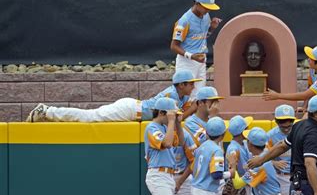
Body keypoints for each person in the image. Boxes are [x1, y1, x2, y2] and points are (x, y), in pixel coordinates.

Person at [172, 86, 224, 195]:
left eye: (216, 101)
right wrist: (215, 117)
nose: (215, 105)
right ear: (200, 103)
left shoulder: (215, 121)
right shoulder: (191, 124)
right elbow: (206, 145)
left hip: (214, 178)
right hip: (197, 178)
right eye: (212, 101)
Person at [26, 69, 200, 122]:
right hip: (130, 110)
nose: (193, 86)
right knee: (89, 117)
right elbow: (175, 120)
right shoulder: (171, 95)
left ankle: (48, 111)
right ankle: (48, 111)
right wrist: (192, 109)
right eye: (191, 83)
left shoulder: (181, 96)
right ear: (182, 85)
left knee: (90, 116)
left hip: (134, 108)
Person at [170, 0, 222, 98]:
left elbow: (202, 37)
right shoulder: (184, 21)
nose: (208, 10)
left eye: (210, 7)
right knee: (184, 95)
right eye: (206, 7)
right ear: (197, 3)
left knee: (199, 95)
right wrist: (191, 56)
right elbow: (174, 46)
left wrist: (212, 29)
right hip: (187, 62)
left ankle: (195, 115)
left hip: (201, 60)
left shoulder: (206, 17)